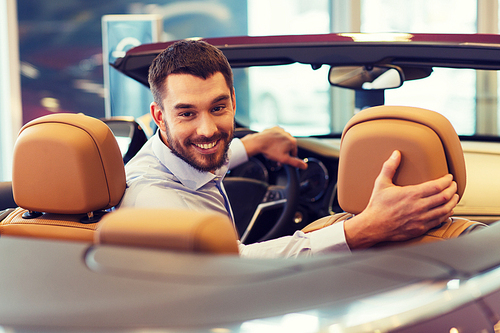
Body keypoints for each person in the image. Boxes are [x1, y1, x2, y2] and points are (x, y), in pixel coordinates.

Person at [119, 40, 458, 258]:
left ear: (234, 102)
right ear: (159, 116)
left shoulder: (169, 156)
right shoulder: (154, 202)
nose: (207, 129)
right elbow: (234, 267)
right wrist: (364, 229)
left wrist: (253, 144)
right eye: (187, 113)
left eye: (218, 108)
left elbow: (204, 162)